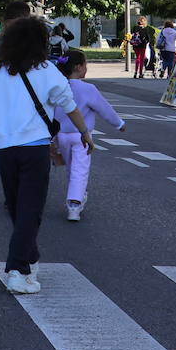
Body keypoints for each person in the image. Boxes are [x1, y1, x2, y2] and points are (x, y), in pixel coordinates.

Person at [0, 16, 93, 295]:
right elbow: (70, 106)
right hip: (34, 148)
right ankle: (17, 269)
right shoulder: (47, 71)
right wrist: (85, 133)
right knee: (30, 210)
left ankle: (29, 259)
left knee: (18, 208)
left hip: (4, 149)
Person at [53, 49, 125, 221]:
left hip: (61, 135)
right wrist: (119, 123)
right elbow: (104, 109)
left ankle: (75, 197)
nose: (87, 68)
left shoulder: (58, 86)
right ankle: (74, 204)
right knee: (80, 169)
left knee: (71, 167)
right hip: (82, 136)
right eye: (86, 65)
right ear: (78, 67)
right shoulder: (88, 89)